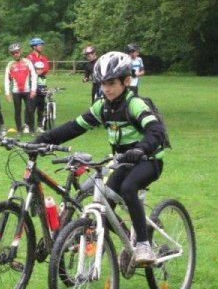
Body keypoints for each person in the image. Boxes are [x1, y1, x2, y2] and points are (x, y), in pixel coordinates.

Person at [34, 51, 165, 266]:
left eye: (111, 83)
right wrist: (42, 139)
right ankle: (128, 242)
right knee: (104, 206)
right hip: (123, 161)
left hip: (148, 160)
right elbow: (73, 127)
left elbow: (155, 130)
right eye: (102, 83)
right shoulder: (102, 107)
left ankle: (143, 245)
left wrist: (142, 148)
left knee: (128, 187)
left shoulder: (135, 105)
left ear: (126, 81)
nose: (106, 88)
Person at [4, 43, 37, 134]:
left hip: (27, 91)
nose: (15, 54)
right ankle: (19, 130)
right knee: (17, 111)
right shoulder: (10, 64)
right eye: (13, 53)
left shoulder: (27, 62)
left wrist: (33, 89)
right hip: (16, 92)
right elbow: (7, 79)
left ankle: (32, 130)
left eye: (17, 52)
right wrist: (7, 93)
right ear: (11, 54)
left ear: (20, 52)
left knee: (30, 110)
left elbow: (34, 76)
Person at [33, 61, 48, 133]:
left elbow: (44, 86)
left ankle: (39, 126)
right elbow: (34, 86)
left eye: (41, 69)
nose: (40, 70)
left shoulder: (44, 77)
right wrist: (39, 90)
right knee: (31, 111)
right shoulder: (33, 76)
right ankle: (29, 126)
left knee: (40, 112)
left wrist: (46, 90)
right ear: (35, 69)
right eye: (38, 69)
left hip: (42, 97)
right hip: (35, 96)